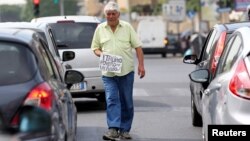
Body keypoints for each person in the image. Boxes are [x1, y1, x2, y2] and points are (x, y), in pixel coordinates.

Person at [91, 1, 145, 140]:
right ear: (105, 15)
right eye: (108, 14)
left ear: (118, 15)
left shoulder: (127, 27)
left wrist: (141, 65)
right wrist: (101, 54)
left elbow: (138, 47)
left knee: (126, 101)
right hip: (108, 73)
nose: (111, 16)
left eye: (113, 14)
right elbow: (95, 48)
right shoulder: (100, 29)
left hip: (126, 71)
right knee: (111, 99)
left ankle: (125, 130)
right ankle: (113, 129)